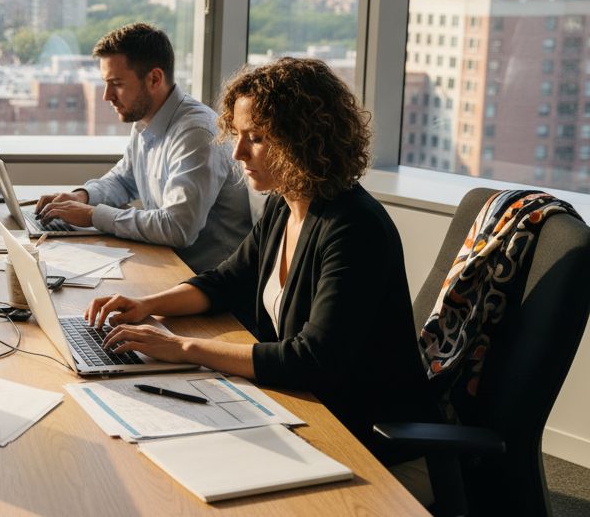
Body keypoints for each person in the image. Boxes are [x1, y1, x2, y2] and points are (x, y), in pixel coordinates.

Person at [85, 57, 433, 458]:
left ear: (305, 139)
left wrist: (181, 348)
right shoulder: (284, 205)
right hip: (301, 405)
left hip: (362, 435)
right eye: (237, 135)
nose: (237, 153)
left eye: (256, 138)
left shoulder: (355, 228)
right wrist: (146, 305)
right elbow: (226, 281)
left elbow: (312, 360)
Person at [35, 22, 250, 271]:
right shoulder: (146, 118)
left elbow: (178, 228)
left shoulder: (196, 133)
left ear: (154, 79)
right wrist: (82, 197)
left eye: (117, 83)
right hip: (167, 262)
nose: (107, 96)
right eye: (106, 83)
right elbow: (124, 180)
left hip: (205, 278)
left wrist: (91, 215)